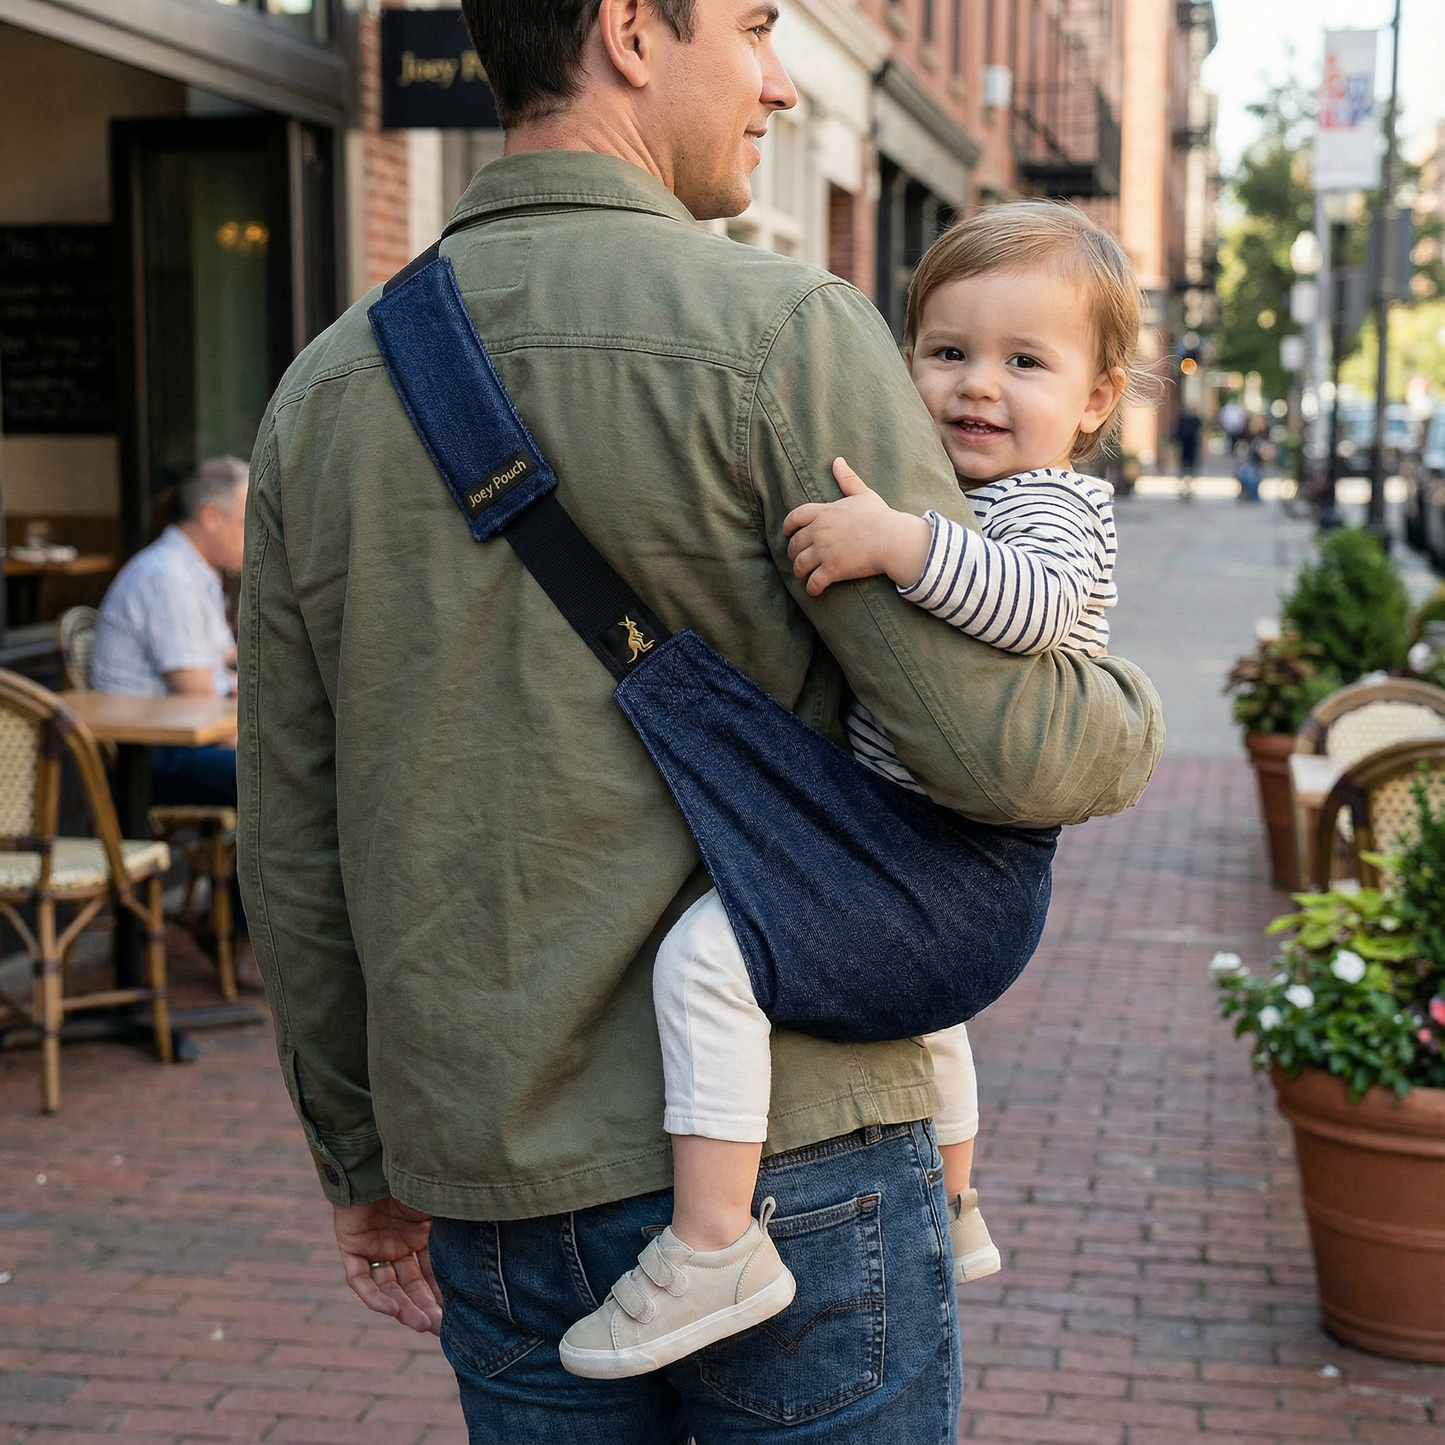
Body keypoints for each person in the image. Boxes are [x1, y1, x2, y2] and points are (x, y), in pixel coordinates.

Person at [238, 4, 1164, 1441]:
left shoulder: (321, 392)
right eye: (750, 27)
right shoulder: (788, 333)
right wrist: (1131, 713)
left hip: (494, 1161)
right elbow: (992, 751)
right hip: (803, 1151)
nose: (782, 80)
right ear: (625, 30)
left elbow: (292, 842)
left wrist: (358, 1157)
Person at [559, 202, 1139, 1379]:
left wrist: (896, 541)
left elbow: (1025, 603)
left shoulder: (1054, 506)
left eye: (1024, 362)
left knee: (709, 958)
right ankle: (958, 1194)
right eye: (946, 352)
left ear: (1094, 402)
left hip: (943, 853)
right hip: (925, 846)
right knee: (919, 1006)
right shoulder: (967, 485)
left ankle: (714, 1239)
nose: (978, 385)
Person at [92, 455, 246, 806]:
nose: (253, 535)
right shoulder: (167, 576)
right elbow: (200, 695)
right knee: (284, 780)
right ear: (211, 518)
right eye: (245, 522)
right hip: (147, 758)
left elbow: (226, 662)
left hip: (181, 741)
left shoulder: (195, 573)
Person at [1173, 408, 1202, 501]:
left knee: (1185, 471)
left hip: (1186, 450)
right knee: (1189, 471)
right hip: (1190, 450)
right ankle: (1187, 489)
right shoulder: (1194, 422)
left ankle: (1185, 489)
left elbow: (1176, 436)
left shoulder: (1183, 422)